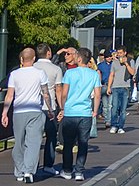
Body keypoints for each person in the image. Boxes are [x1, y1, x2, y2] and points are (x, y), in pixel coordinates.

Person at [2, 47, 54, 183]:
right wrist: (50, 109)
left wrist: (4, 113)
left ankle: (19, 170)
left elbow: (9, 95)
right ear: (34, 59)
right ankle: (28, 171)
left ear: (21, 59)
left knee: (19, 143)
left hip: (18, 111)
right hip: (35, 111)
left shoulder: (14, 74)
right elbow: (45, 93)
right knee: (33, 143)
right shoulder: (40, 73)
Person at [57, 47, 101, 181]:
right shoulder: (94, 74)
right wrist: (95, 110)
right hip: (85, 112)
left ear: (80, 58)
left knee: (68, 143)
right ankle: (79, 171)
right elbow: (97, 95)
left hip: (70, 112)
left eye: (76, 56)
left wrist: (62, 108)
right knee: (83, 143)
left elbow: (64, 94)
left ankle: (67, 170)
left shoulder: (70, 73)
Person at [33, 44, 63, 177]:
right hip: (49, 107)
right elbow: (58, 90)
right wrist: (62, 107)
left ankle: (31, 167)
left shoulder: (31, 68)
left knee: (33, 138)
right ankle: (48, 165)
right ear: (49, 53)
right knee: (51, 137)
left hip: (33, 107)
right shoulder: (56, 69)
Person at [105, 48, 132, 134]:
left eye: (121, 53)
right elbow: (111, 75)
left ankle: (121, 126)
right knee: (114, 107)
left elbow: (132, 72)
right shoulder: (114, 63)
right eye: (118, 53)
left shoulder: (130, 61)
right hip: (115, 87)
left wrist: (126, 63)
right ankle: (114, 125)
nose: (119, 54)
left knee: (123, 109)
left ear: (125, 53)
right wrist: (109, 87)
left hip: (125, 87)